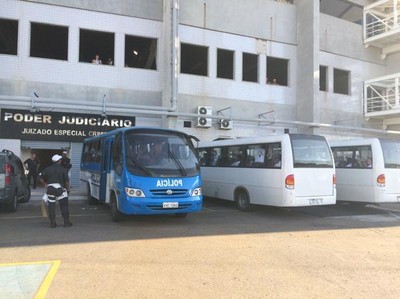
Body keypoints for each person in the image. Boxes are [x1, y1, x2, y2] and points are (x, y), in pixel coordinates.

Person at [39, 154, 72, 228]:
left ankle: (52, 223)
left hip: (50, 189)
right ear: (59, 161)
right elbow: (66, 181)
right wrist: (68, 189)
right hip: (60, 189)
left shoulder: (47, 169)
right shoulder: (63, 169)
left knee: (51, 206)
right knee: (64, 206)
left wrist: (45, 184)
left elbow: (40, 178)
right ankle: (66, 222)